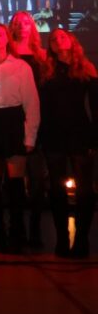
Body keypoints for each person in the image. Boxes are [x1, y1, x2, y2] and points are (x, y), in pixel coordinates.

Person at [0, 24, 39, 254]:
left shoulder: (21, 66)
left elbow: (31, 102)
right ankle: (0, 234)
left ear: (7, 38)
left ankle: (16, 232)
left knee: (15, 184)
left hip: (13, 122)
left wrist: (30, 135)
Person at [39, 29, 97, 258]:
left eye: (62, 37)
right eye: (53, 39)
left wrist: (94, 136)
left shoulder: (86, 67)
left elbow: (96, 105)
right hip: (53, 133)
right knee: (56, 189)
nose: (57, 40)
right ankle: (62, 239)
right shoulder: (46, 70)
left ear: (72, 41)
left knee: (85, 190)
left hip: (80, 133)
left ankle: (81, 240)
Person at [9, 10, 48, 248]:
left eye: (26, 22)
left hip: (38, 119)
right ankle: (17, 228)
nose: (22, 26)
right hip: (12, 119)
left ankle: (35, 228)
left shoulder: (42, 55)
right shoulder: (7, 54)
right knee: (14, 179)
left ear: (32, 27)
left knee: (37, 178)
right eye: (17, 23)